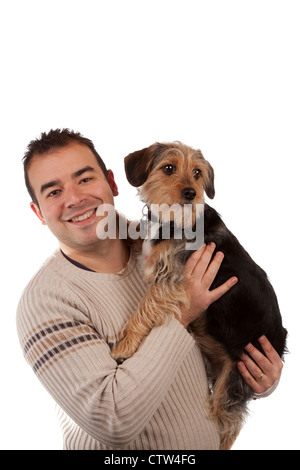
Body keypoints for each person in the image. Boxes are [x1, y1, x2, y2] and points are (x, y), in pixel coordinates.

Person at [17, 129, 283, 450]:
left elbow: (212, 342)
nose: (74, 198)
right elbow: (114, 422)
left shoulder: (154, 238)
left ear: (114, 183)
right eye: (53, 191)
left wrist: (256, 378)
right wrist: (181, 315)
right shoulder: (45, 302)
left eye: (85, 179)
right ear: (38, 213)